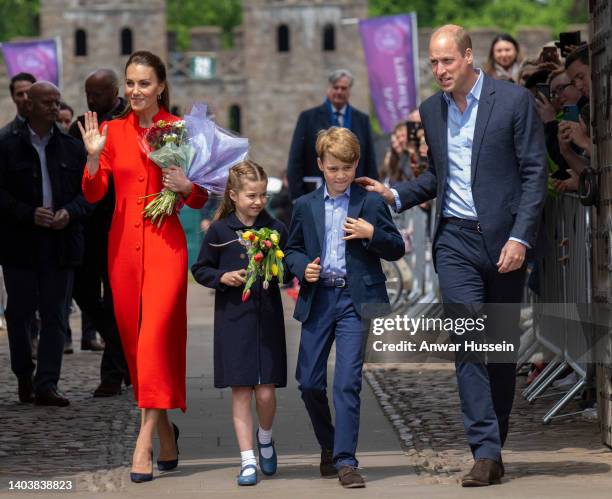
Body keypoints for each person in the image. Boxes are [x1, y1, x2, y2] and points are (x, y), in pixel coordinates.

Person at [357, 25, 547, 487]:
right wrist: (394, 194)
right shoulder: (430, 110)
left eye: (446, 61)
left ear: (468, 57)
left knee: (498, 350)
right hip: (455, 241)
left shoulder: (512, 101)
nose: (439, 71)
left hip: (504, 243)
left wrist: (520, 238)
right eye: (433, 63)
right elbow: (437, 180)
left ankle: (494, 444)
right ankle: (483, 450)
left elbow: (534, 173)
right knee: (467, 345)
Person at [78, 50, 208, 482]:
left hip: (166, 248)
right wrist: (94, 157)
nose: (135, 91)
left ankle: (143, 443)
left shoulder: (179, 130)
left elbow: (202, 194)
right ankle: (168, 431)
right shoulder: (112, 131)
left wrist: (187, 185)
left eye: (143, 84)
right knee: (135, 347)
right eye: (130, 83)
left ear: (160, 87)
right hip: (122, 252)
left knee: (154, 339)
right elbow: (95, 194)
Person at [285, 127, 405, 489]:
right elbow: (291, 249)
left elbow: (396, 247)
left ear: (357, 166)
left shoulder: (369, 202)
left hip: (356, 300)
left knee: (348, 383)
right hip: (319, 298)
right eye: (334, 168)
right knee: (308, 382)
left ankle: (346, 461)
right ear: (320, 165)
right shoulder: (305, 206)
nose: (341, 176)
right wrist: (301, 266)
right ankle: (329, 443)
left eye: (347, 168)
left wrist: (372, 235)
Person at [191, 161, 288, 486]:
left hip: (267, 320)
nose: (258, 201)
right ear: (233, 195)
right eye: (251, 195)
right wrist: (223, 277)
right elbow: (201, 269)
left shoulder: (275, 228)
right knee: (241, 392)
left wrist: (284, 272)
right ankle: (247, 460)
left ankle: (265, 436)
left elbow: (290, 265)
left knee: (265, 392)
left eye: (262, 195)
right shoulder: (219, 231)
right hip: (233, 321)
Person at [0, 81, 91, 407]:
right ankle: (24, 374)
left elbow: (89, 194)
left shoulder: (71, 147)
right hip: (19, 243)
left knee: (55, 314)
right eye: (47, 102)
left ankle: (47, 384)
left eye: (57, 102)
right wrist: (26, 213)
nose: (54, 107)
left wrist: (69, 212)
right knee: (19, 313)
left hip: (60, 241)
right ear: (29, 105)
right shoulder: (7, 144)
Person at [69, 68, 130, 396]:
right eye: (88, 93)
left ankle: (112, 373)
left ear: (114, 92)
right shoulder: (81, 123)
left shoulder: (127, 121)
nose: (91, 100)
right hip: (88, 225)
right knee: (84, 290)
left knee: (117, 299)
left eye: (98, 94)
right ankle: (123, 351)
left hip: (118, 221)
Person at [287, 69, 378, 200]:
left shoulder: (362, 120)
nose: (339, 92)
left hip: (356, 197)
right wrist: (298, 198)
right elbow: (295, 160)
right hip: (316, 194)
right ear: (329, 88)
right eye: (336, 87)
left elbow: (370, 160)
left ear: (349, 91)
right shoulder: (308, 118)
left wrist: (372, 196)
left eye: (343, 88)